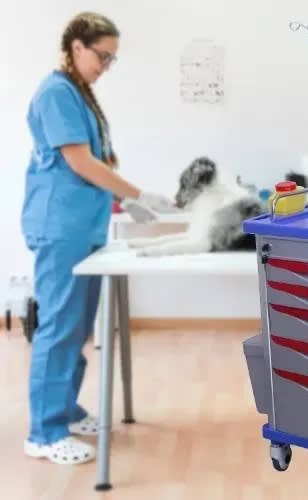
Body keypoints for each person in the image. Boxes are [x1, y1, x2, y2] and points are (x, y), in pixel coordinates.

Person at [20, 11, 171, 465]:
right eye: (101, 56)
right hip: (60, 227)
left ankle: (65, 410)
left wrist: (125, 201)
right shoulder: (56, 93)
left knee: (79, 325)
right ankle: (44, 433)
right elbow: (81, 162)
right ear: (76, 47)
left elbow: (94, 165)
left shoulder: (78, 94)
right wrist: (138, 194)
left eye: (111, 59)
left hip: (83, 226)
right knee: (59, 327)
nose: (105, 66)